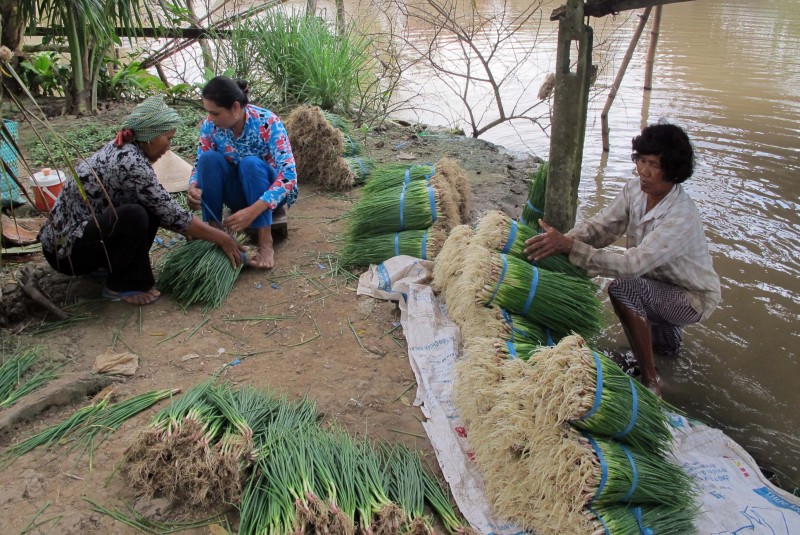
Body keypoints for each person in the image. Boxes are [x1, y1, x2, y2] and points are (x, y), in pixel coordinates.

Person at [524, 122, 721, 396]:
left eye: (653, 163)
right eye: (641, 160)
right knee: (663, 350)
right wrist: (559, 241)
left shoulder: (681, 215)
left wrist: (571, 248)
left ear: (673, 170)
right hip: (656, 282)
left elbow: (632, 265)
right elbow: (601, 229)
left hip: (691, 297)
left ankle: (652, 383)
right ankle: (664, 356)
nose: (643, 170)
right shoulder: (635, 192)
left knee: (623, 288)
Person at [39, 96, 244, 306]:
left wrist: (190, 230)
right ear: (150, 137)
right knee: (134, 215)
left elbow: (161, 208)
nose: (169, 147)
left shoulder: (126, 148)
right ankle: (123, 284)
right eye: (167, 138)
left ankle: (107, 266)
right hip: (66, 253)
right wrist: (222, 238)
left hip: (80, 239)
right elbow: (170, 212)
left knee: (146, 209)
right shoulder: (129, 162)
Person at [187, 76, 297, 269]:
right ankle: (215, 232)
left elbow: (289, 175)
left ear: (235, 108)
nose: (211, 118)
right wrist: (193, 185)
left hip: (268, 195)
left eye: (216, 113)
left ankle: (265, 241)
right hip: (238, 194)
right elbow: (199, 163)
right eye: (209, 113)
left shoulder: (268, 122)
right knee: (208, 159)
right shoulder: (210, 126)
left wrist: (253, 211)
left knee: (251, 164)